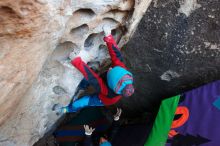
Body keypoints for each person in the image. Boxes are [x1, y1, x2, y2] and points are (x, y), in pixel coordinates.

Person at [54, 25, 134, 114]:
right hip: (107, 80)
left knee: (81, 102)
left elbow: (93, 79)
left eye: (111, 71)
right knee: (86, 80)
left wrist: (76, 61)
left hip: (103, 99)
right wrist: (108, 37)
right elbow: (116, 54)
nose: (110, 69)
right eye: (113, 69)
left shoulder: (108, 92)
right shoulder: (122, 71)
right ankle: (82, 87)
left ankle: (66, 110)